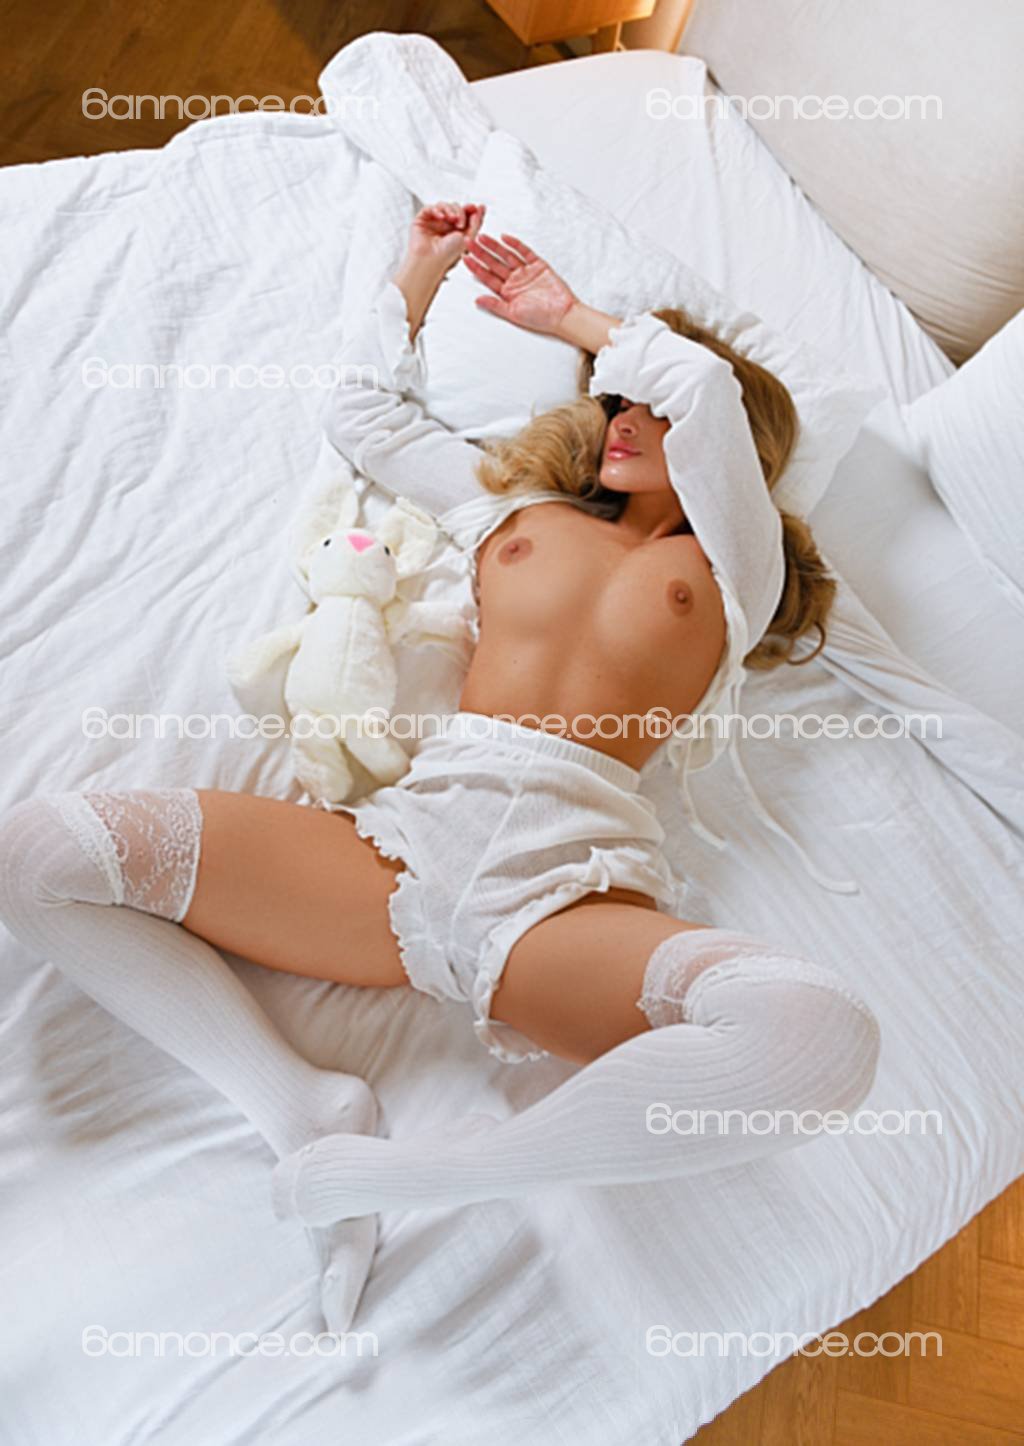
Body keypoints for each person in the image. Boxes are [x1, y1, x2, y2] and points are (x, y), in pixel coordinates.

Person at [0, 202, 879, 1334]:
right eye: (612, 398)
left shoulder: (736, 568)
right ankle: (304, 1111)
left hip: (564, 903)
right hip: (401, 853)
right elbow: (362, 416)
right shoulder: (510, 507)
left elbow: (704, 390)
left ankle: (410, 1179)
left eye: (645, 397)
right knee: (37, 856)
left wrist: (569, 316)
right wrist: (417, 274)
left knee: (821, 1033)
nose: (624, 414)